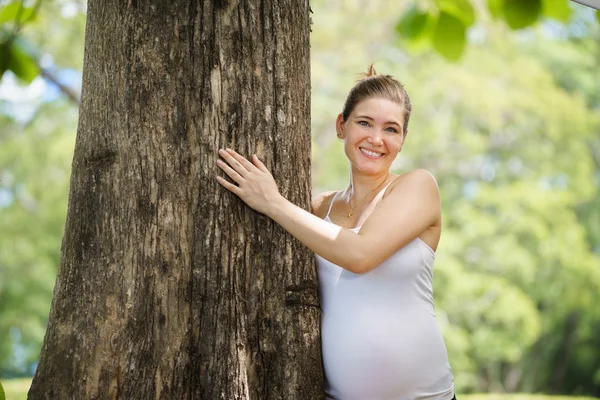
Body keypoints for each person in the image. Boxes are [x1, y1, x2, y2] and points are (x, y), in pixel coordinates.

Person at [216, 66, 455, 400]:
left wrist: (272, 201)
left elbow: (360, 254)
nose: (376, 138)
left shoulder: (417, 187)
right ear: (342, 126)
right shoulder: (318, 209)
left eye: (391, 129)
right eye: (364, 122)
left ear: (402, 141)